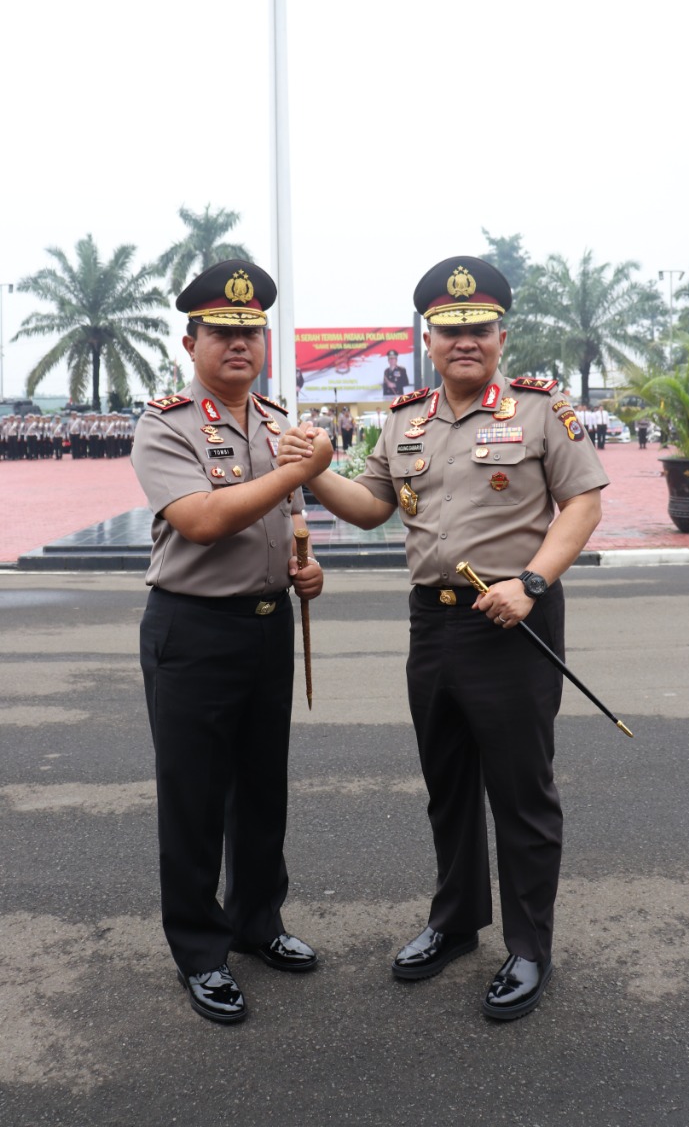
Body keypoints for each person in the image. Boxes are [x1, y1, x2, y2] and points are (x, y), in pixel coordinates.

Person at [279, 255, 609, 1022]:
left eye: (480, 329)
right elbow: (370, 507)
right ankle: (456, 922)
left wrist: (530, 583)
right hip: (433, 621)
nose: (466, 340)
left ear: (501, 335)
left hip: (513, 621)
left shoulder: (539, 411)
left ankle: (529, 947)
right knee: (449, 784)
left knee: (522, 792)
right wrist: (318, 469)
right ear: (429, 337)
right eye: (451, 329)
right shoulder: (406, 421)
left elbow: (584, 505)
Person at [131, 259, 332, 1026]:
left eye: (252, 332)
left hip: (265, 624)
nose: (239, 344)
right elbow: (204, 521)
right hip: (193, 628)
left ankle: (257, 922)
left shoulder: (280, 422)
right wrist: (296, 476)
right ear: (192, 341)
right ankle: (200, 950)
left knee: (261, 788)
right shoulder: (166, 423)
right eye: (223, 332)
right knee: (194, 798)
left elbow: (280, 528)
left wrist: (302, 573)